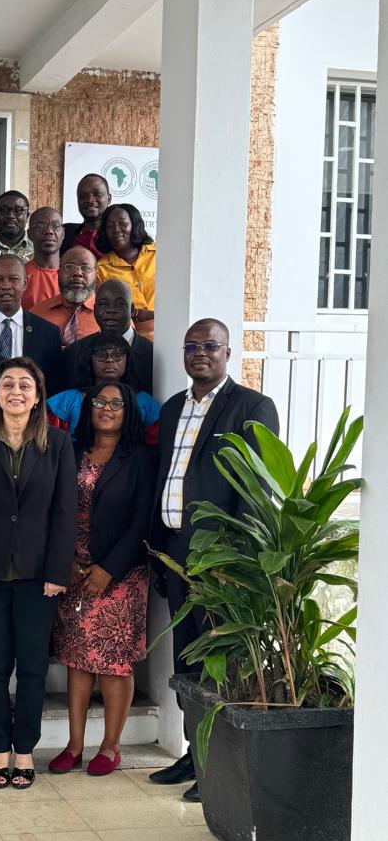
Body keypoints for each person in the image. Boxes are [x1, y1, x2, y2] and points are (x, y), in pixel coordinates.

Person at [148, 319, 279, 801]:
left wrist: (236, 559)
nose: (199, 353)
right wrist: (159, 552)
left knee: (219, 660)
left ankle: (219, 763)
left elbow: (254, 486)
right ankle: (194, 751)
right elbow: (166, 479)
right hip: (176, 553)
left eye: (210, 346)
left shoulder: (252, 406)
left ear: (228, 352)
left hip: (219, 559)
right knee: (186, 656)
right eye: (191, 346)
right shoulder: (171, 410)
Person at [0, 357, 77, 788]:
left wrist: (58, 569)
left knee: (31, 667)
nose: (16, 391)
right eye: (8, 384)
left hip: (38, 574)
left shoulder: (59, 445)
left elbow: (65, 513)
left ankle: (24, 751)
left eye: (26, 384)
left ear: (37, 395)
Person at [49, 382, 156, 777]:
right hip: (73, 572)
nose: (107, 409)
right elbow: (55, 510)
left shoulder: (142, 460)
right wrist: (65, 562)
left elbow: (141, 520)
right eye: (99, 402)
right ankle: (74, 745)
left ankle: (110, 747)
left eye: (116, 404)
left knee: (114, 664)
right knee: (77, 661)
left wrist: (109, 569)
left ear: (129, 412)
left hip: (121, 575)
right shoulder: (70, 452)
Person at [47, 334, 160, 436]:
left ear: (127, 359)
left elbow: (155, 447)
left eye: (117, 355)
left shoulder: (145, 402)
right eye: (101, 355)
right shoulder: (67, 400)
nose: (110, 360)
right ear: (90, 359)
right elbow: (53, 444)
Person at [60, 279, 154, 395]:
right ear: (95, 310)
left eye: (120, 304)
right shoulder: (73, 354)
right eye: (103, 304)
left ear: (132, 310)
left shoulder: (153, 355)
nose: (111, 310)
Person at [0, 255, 62, 387]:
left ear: (25, 283)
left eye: (13, 279)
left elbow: (52, 385)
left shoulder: (48, 333)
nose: (6, 285)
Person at [95, 204, 156, 338]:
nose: (116, 230)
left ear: (135, 225)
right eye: (110, 227)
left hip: (172, 328)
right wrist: (136, 315)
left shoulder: (160, 254)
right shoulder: (101, 270)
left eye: (123, 224)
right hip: (130, 340)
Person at [32, 247, 99, 345]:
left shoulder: (112, 315)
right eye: (69, 267)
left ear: (96, 275)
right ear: (58, 274)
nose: (77, 273)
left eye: (86, 268)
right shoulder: (37, 314)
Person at [60, 174, 111, 257]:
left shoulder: (119, 235)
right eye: (83, 196)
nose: (90, 200)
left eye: (97, 194)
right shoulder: (65, 233)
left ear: (109, 199)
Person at [23, 207, 63, 311]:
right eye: (41, 226)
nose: (49, 231)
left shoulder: (75, 274)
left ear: (63, 233)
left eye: (56, 226)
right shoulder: (20, 275)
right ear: (29, 234)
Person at [0, 191, 33, 261]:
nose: (10, 216)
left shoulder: (38, 248)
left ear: (27, 216)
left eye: (18, 210)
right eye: (4, 210)